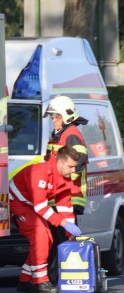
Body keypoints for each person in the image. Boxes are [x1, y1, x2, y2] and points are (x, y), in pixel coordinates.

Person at [9, 146, 83, 293]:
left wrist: (70, 232)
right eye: (70, 167)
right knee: (41, 236)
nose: (73, 171)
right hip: (17, 202)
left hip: (31, 204)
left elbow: (65, 207)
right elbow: (41, 207)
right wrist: (63, 223)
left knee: (47, 238)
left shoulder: (64, 177)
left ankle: (25, 279)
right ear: (60, 163)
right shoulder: (40, 172)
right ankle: (40, 281)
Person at [43, 95, 88, 283]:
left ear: (66, 116)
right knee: (58, 238)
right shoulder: (59, 135)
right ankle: (59, 276)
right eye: (53, 117)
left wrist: (66, 179)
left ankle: (63, 277)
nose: (53, 120)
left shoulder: (71, 134)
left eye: (56, 116)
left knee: (63, 239)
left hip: (69, 197)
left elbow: (81, 159)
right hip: (59, 197)